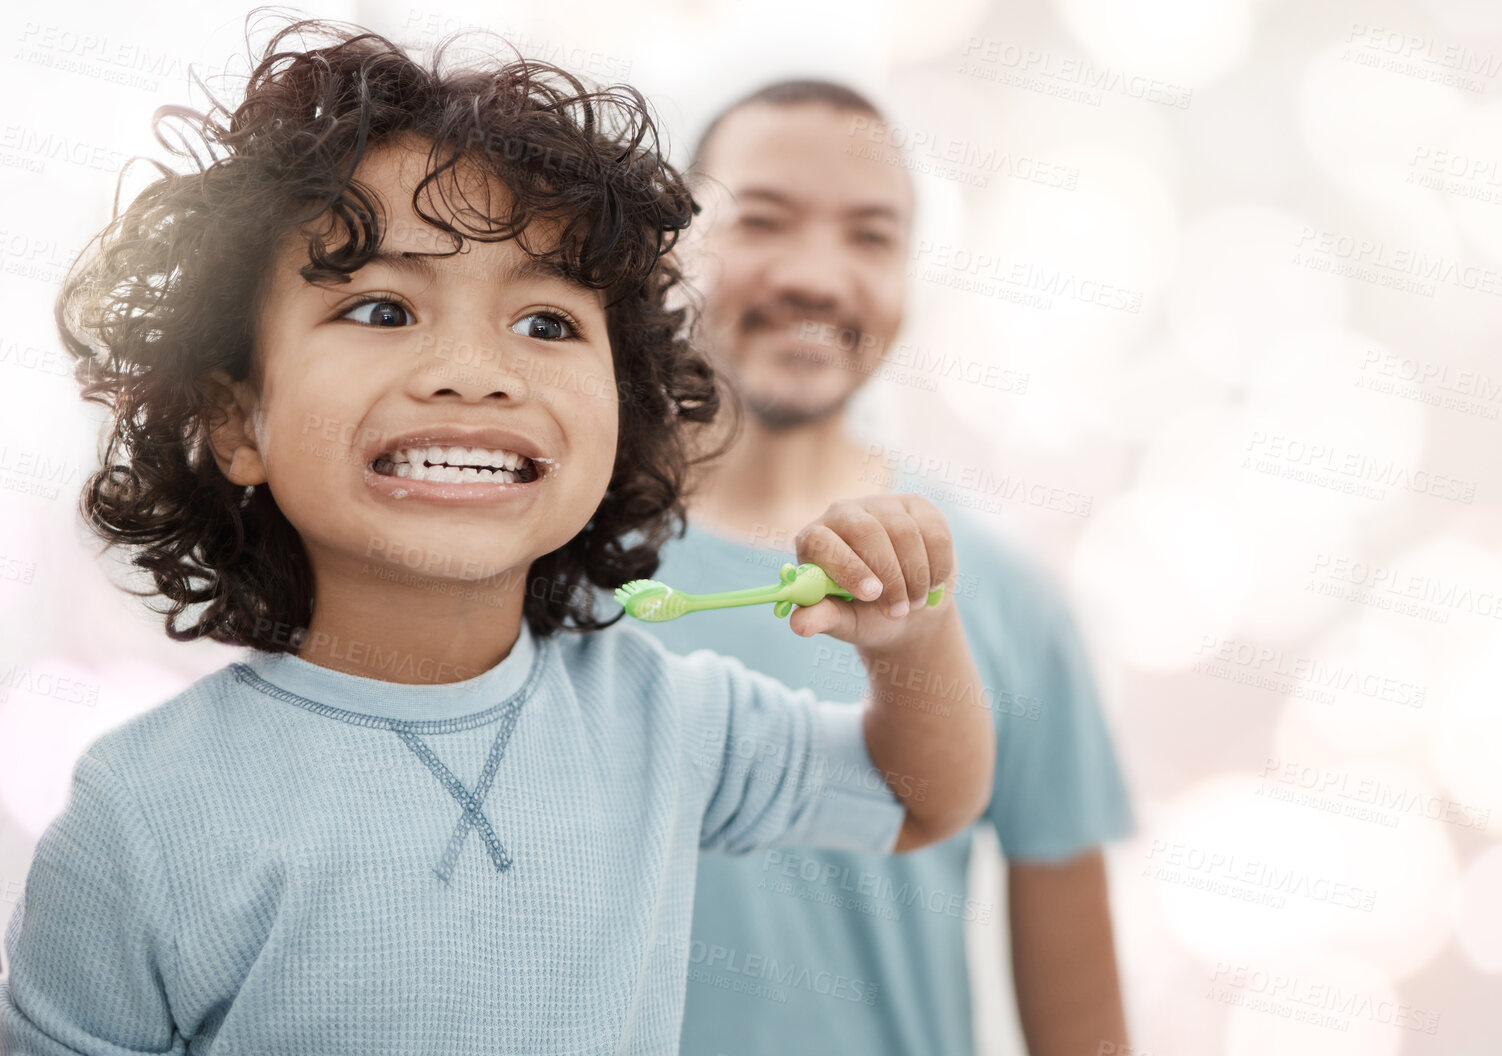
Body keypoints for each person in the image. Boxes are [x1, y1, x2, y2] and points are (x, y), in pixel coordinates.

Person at [0, 23, 994, 1055]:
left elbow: (917, 800)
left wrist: (910, 642)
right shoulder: (142, 815)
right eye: (383, 308)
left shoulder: (663, 719)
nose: (475, 371)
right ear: (236, 420)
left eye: (547, 325)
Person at [642, 80, 1135, 1055]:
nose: (817, 279)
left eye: (870, 238)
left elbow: (1080, 1026)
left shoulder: (1000, 598)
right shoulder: (540, 563)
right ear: (671, 248)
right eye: (762, 221)